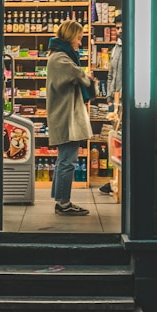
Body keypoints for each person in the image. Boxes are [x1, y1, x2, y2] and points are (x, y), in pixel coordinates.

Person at [46, 19, 97, 216]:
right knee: (68, 161)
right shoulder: (61, 59)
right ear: (70, 36)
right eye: (79, 37)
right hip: (66, 118)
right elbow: (80, 76)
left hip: (65, 115)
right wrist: (89, 79)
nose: (80, 42)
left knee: (64, 160)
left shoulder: (60, 56)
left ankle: (60, 200)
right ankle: (63, 203)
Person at [100, 20, 123, 196]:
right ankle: (114, 179)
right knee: (113, 141)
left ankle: (121, 180)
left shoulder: (134, 47)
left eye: (122, 27)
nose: (120, 30)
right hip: (114, 101)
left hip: (126, 100)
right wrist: (109, 98)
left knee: (123, 141)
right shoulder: (116, 48)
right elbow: (110, 75)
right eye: (117, 28)